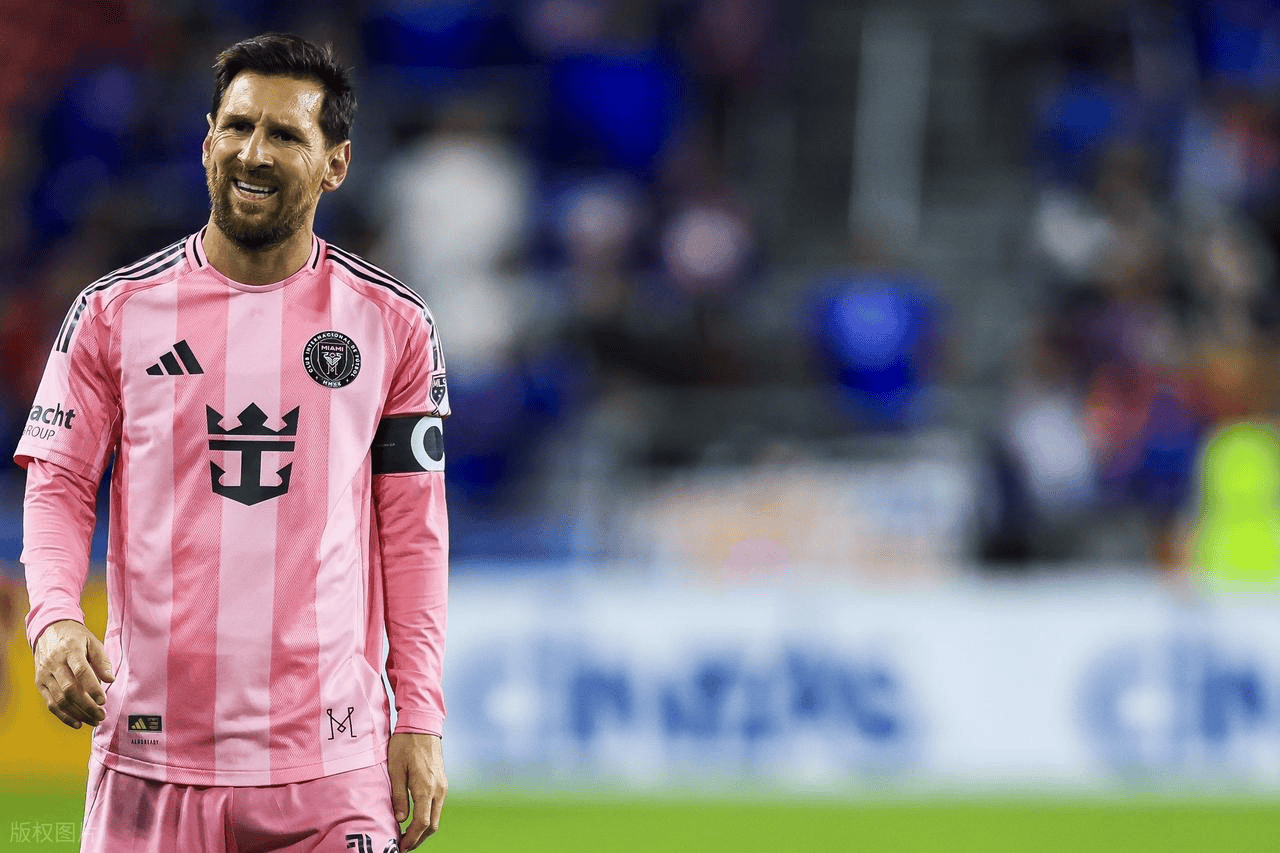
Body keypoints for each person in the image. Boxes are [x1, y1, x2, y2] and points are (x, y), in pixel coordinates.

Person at [16, 34, 450, 852]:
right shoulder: (113, 313)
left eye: (285, 134)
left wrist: (420, 715)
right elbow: (59, 484)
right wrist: (56, 622)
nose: (254, 152)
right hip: (151, 759)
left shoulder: (393, 325)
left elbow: (414, 533)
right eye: (238, 126)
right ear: (206, 140)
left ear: (336, 164)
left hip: (331, 766)